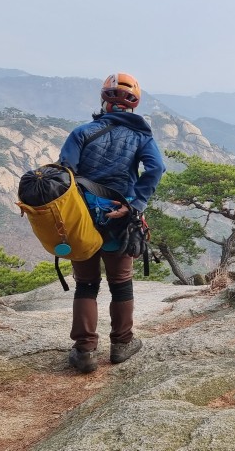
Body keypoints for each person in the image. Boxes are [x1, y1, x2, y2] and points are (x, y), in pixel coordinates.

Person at [58, 72, 165, 373]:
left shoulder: (81, 133)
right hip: (120, 216)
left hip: (82, 218)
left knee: (87, 283)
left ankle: (85, 351)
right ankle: (122, 343)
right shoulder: (141, 136)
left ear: (104, 99)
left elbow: (64, 174)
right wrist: (135, 204)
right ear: (133, 104)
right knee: (120, 283)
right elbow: (156, 168)